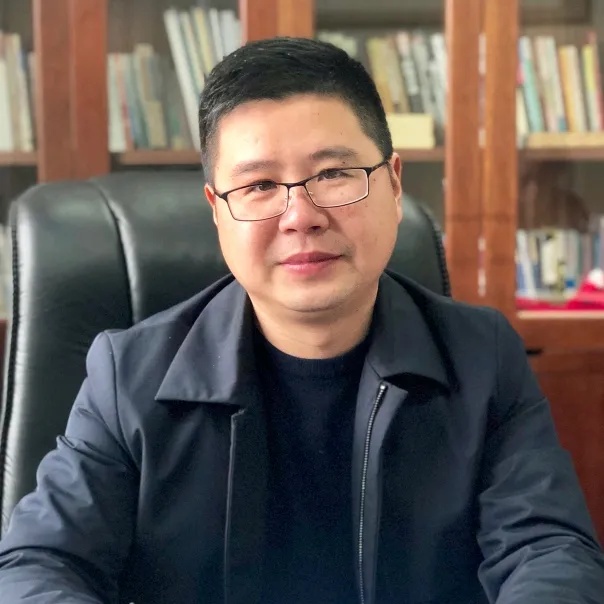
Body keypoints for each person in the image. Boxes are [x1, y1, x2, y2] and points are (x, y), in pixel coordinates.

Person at [0, 37, 603, 604]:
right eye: (260, 184)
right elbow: (40, 563)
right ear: (217, 210)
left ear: (394, 185)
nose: (300, 215)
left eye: (334, 174)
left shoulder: (481, 356)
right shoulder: (130, 377)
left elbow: (549, 550)